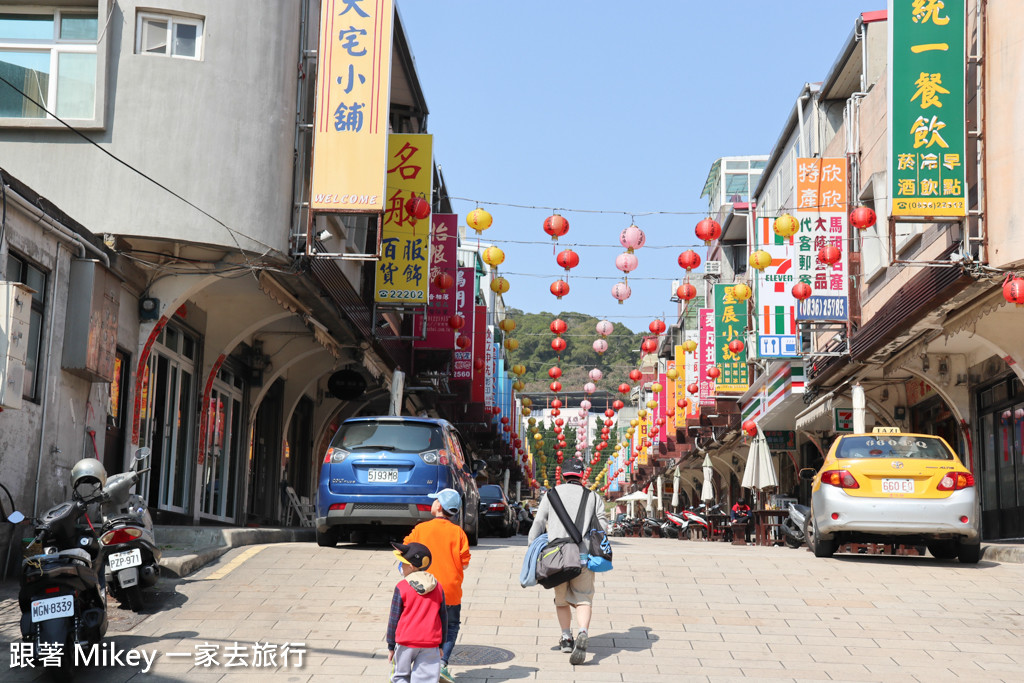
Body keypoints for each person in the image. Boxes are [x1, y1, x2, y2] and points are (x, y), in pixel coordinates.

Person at [527, 458, 608, 666]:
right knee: (584, 599)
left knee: (561, 600)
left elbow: (538, 523)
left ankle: (565, 637)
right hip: (583, 559)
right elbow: (603, 526)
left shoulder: (551, 495)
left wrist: (532, 548)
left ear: (563, 475)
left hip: (557, 558)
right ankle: (583, 631)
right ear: (582, 476)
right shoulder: (592, 497)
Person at [403, 489, 470, 683]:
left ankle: (414, 662)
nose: (432, 503)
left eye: (434, 501)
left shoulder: (421, 529)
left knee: (421, 624)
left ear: (439, 506)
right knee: (450, 626)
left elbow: (405, 551)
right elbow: (465, 562)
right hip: (449, 591)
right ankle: (441, 664)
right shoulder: (459, 533)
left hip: (423, 590)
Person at [386, 541, 448, 683]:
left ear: (411, 566)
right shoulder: (438, 587)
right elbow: (443, 617)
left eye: (403, 563)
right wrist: (440, 645)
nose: (401, 566)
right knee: (426, 679)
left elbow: (394, 618)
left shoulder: (402, 587)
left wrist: (391, 646)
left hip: (406, 642)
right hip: (430, 642)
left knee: (400, 676)